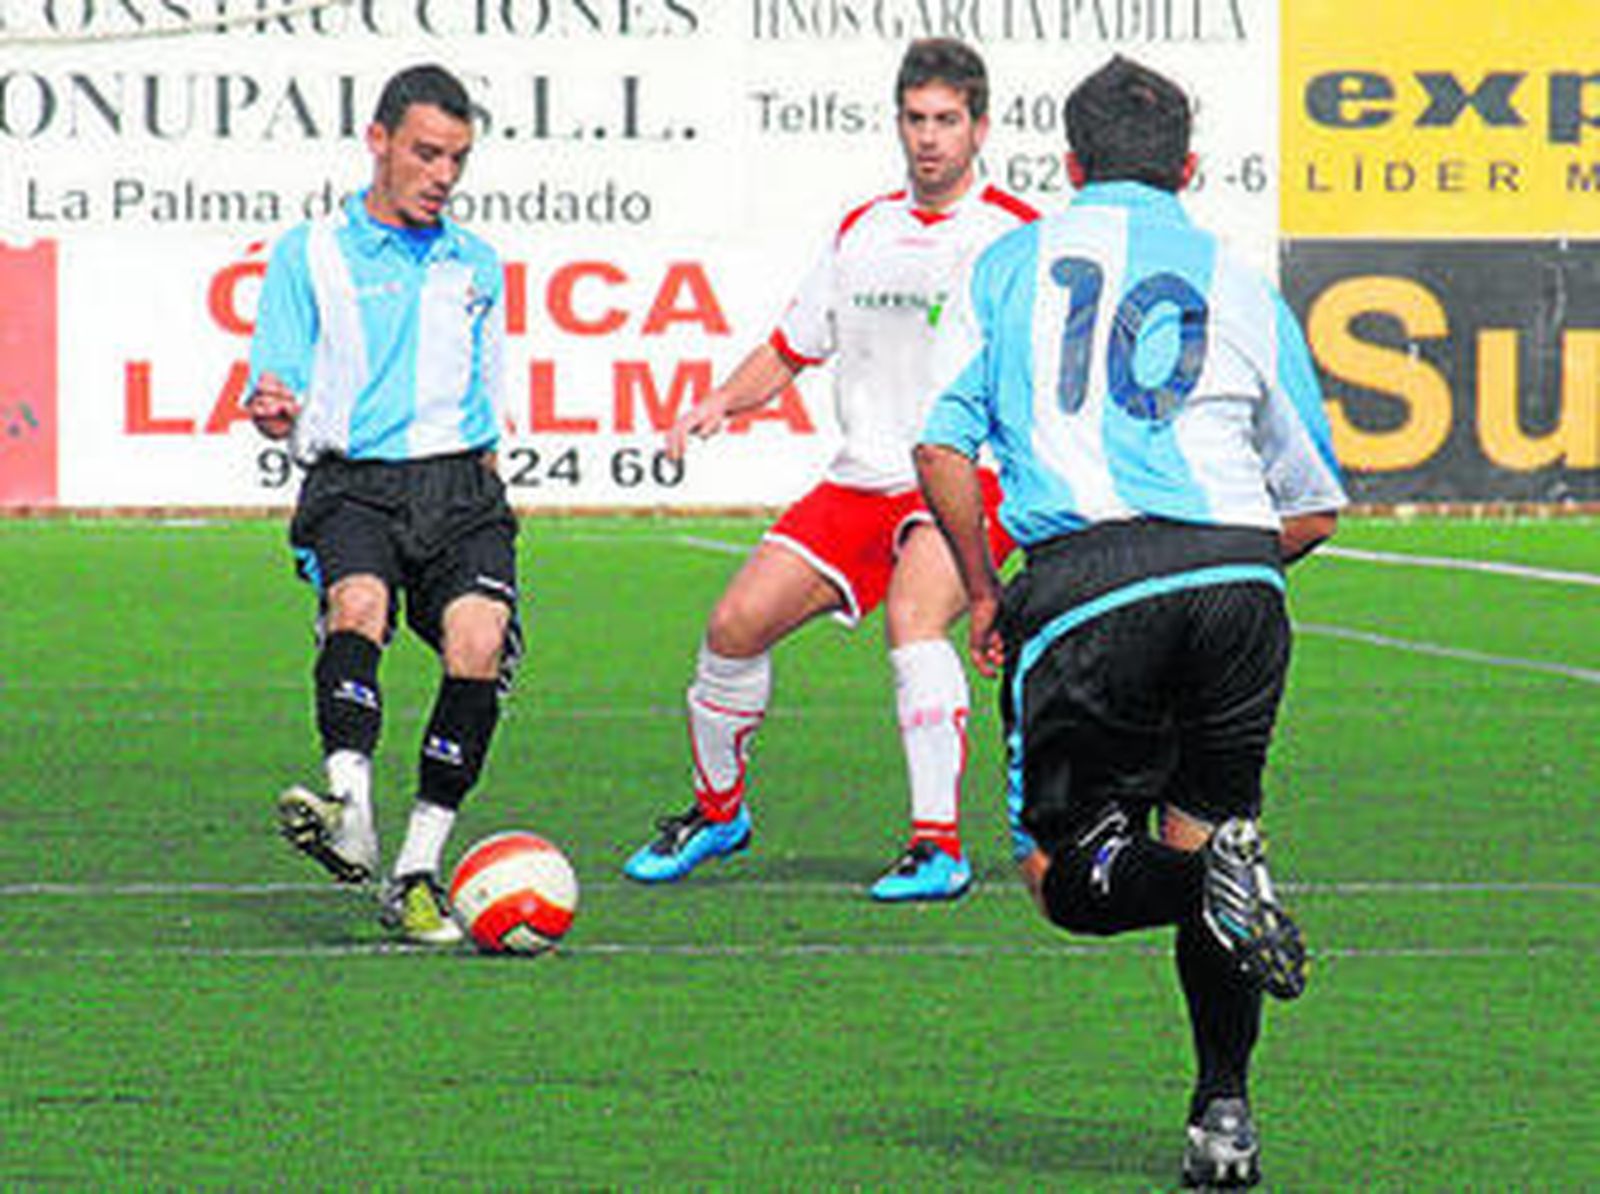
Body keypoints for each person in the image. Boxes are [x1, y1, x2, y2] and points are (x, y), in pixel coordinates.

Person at [915, 56, 1345, 1187]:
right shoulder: (1241, 279)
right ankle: (1223, 1118)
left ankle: (1204, 887)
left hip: (1087, 581)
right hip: (1239, 584)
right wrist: (1221, 561)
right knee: (1215, 835)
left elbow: (941, 448)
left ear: (1067, 164)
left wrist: (983, 587)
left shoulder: (1007, 262)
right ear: (1189, 167)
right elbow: (1313, 507)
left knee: (1067, 878)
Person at [620, 39, 1038, 901]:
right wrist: (718, 403)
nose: (929, 139)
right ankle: (718, 812)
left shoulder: (1017, 236)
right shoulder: (863, 229)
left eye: (946, 121)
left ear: (980, 127)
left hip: (969, 474)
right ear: (898, 124)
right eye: (916, 120)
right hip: (859, 479)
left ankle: (938, 845)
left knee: (916, 619)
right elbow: (791, 347)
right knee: (734, 625)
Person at [246, 63, 519, 946]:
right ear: (380, 142)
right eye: (427, 154)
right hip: (353, 481)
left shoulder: (477, 263)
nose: (443, 175)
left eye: (458, 159)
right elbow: (274, 378)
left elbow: (487, 387)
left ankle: (415, 872)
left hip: (459, 486)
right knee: (357, 604)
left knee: (478, 644)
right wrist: (275, 408)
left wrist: (483, 482)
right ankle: (351, 808)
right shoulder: (311, 253)